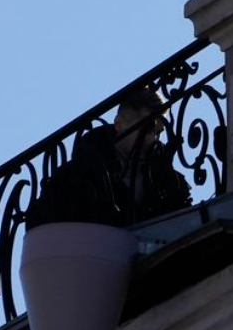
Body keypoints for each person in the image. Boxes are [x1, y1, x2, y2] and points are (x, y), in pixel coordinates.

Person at [24, 88, 193, 230]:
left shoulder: (168, 179)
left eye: (158, 133)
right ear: (119, 124)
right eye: (147, 128)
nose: (152, 139)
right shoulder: (78, 175)